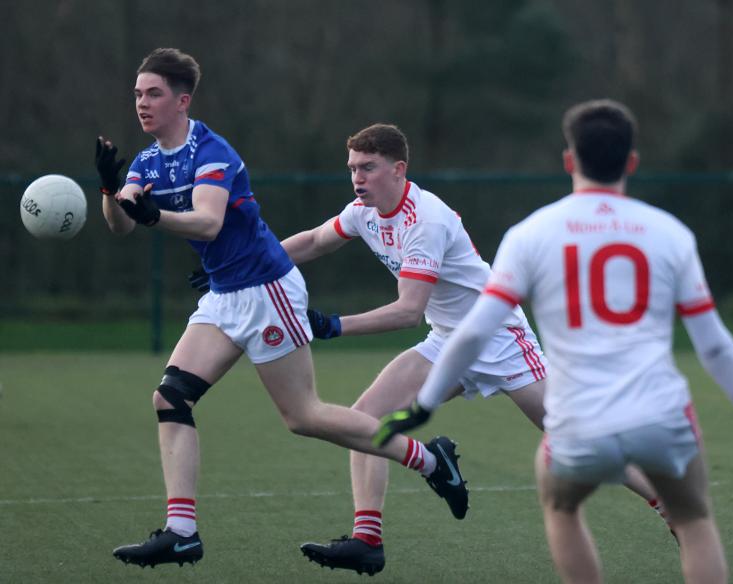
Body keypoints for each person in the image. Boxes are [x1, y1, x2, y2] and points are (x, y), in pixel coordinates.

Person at [376, 100, 733, 584]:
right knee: (695, 520)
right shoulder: (670, 234)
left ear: (568, 160)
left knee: (562, 507)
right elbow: (716, 347)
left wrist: (424, 406)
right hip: (660, 415)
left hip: (579, 419)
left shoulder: (531, 233)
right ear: (632, 162)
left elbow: (473, 331)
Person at [94, 48, 468, 572]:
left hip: (266, 289)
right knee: (170, 397)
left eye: (153, 93)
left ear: (182, 101)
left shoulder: (212, 151)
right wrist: (111, 192)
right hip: (224, 293)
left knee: (303, 416)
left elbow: (207, 222)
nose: (142, 103)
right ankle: (181, 533)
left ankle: (430, 461)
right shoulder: (147, 161)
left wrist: (154, 215)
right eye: (138, 94)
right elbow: (122, 224)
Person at [281, 123, 671, 577]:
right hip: (447, 341)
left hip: (497, 337)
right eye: (352, 168)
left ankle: (669, 505)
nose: (357, 178)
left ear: (398, 169)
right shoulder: (362, 212)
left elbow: (408, 311)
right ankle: (367, 541)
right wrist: (256, 264)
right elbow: (314, 240)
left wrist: (331, 326)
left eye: (368, 167)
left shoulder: (425, 220)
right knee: (365, 419)